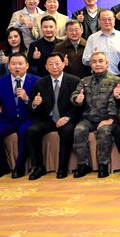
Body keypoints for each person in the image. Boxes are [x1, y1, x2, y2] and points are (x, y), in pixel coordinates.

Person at [0, 52, 40, 179]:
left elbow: (41, 105)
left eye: (20, 63)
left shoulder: (37, 81)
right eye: (13, 64)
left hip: (28, 118)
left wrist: (27, 99)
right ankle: (2, 167)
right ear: (9, 66)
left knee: (24, 131)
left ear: (27, 65)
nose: (17, 67)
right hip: (8, 120)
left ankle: (19, 167)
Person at [25, 52, 81, 180]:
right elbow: (32, 108)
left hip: (66, 118)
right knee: (31, 131)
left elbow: (79, 106)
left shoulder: (74, 81)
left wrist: (67, 118)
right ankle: (39, 167)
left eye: (57, 63)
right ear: (46, 67)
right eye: (50, 64)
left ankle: (62, 168)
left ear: (63, 64)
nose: (54, 67)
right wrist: (34, 104)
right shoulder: (40, 83)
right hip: (48, 119)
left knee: (67, 131)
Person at [71, 52, 120, 178]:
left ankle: (103, 165)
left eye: (101, 61)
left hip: (108, 118)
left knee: (104, 131)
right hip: (88, 118)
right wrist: (77, 99)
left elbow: (114, 101)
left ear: (107, 63)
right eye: (94, 62)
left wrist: (110, 118)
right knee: (79, 130)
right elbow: (75, 94)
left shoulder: (116, 80)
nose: (97, 64)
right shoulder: (85, 81)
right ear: (90, 65)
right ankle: (83, 164)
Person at [83, 9, 120, 76]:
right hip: (98, 78)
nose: (107, 22)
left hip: (119, 77)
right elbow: (84, 60)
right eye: (103, 19)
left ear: (114, 20)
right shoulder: (92, 38)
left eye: (110, 19)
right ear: (99, 21)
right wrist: (93, 57)